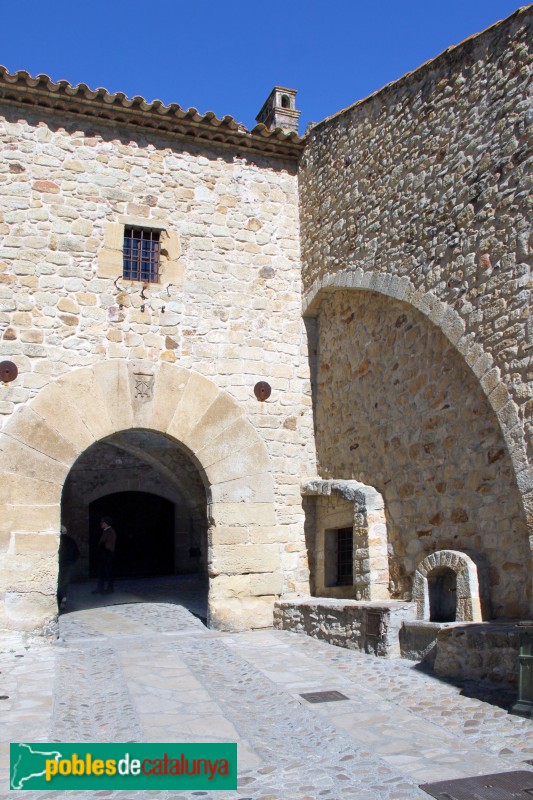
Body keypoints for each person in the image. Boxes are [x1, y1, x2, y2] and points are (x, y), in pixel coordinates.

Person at [57, 525, 80, 610]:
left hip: (60, 564)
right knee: (65, 583)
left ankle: (60, 599)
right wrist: (72, 562)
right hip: (68, 564)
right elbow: (77, 553)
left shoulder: (57, 540)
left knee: (58, 583)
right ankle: (64, 597)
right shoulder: (71, 541)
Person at [93, 516, 117, 595]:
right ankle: (100, 588)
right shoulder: (106, 531)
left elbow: (108, 545)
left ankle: (110, 588)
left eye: (102, 522)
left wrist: (102, 549)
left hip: (106, 554)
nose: (101, 524)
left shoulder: (110, 532)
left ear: (106, 523)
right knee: (101, 572)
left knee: (108, 572)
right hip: (104, 554)